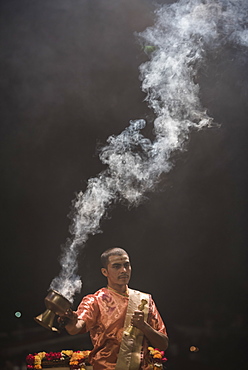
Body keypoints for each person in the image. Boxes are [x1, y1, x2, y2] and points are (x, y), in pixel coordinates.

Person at [61, 247, 168, 370]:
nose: (123, 270)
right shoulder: (95, 300)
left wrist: (144, 326)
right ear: (105, 272)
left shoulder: (145, 300)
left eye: (126, 265)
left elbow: (163, 344)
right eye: (116, 266)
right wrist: (69, 320)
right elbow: (74, 329)